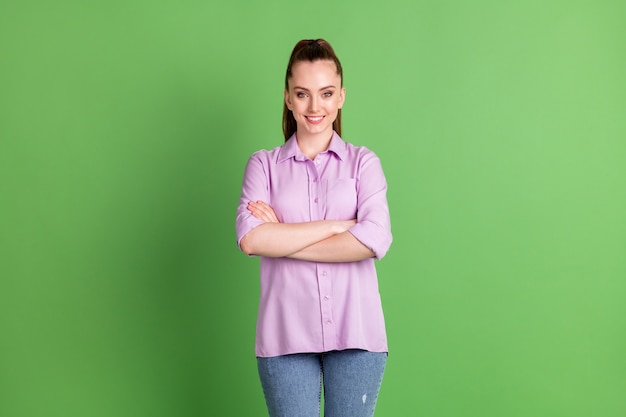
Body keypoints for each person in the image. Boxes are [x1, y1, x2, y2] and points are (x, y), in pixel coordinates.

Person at [235, 38, 392, 417]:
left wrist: (284, 238)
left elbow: (374, 239)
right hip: (284, 337)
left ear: (341, 97)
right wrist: (338, 226)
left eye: (325, 93)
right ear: (288, 98)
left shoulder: (363, 164)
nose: (314, 106)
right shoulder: (264, 166)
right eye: (302, 94)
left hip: (357, 335)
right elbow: (251, 238)